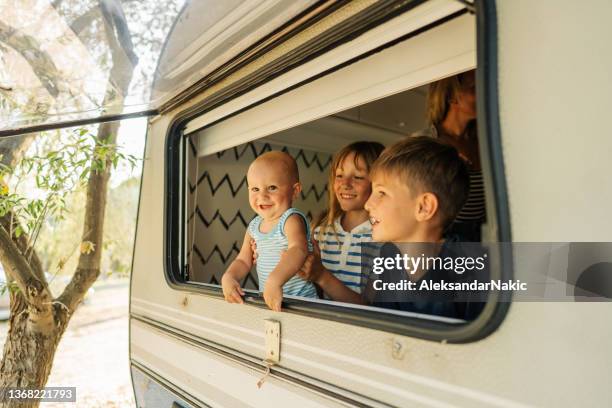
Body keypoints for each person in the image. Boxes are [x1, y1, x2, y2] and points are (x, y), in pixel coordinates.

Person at [302, 137, 484, 319]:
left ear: (424, 207)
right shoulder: (390, 257)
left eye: (381, 193)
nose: (368, 204)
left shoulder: (472, 272)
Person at [221, 151, 317, 311]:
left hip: (303, 303)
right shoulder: (253, 226)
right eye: (255, 189)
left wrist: (274, 281)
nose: (262, 195)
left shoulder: (291, 219)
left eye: (272, 188)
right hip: (272, 300)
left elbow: (298, 250)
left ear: (295, 191)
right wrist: (229, 277)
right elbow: (244, 260)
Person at [418, 70, 486, 240]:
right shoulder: (427, 142)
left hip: (483, 235)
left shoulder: (484, 141)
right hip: (446, 239)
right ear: (451, 96)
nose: (483, 92)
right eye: (474, 87)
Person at [312, 141, 384, 294]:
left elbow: (370, 309)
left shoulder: (384, 240)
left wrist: (321, 276)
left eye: (358, 177)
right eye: (339, 175)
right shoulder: (320, 232)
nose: (345, 183)